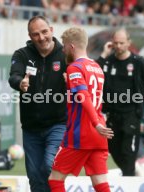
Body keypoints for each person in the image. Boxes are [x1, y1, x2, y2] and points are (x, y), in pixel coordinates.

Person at [48, 27, 113, 192]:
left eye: (63, 46)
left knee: (54, 180)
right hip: (99, 135)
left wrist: (94, 123)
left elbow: (84, 96)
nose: (62, 50)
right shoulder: (97, 67)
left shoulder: (74, 68)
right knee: (101, 183)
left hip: (81, 133)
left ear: (71, 46)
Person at [9, 16, 67, 192]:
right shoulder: (22, 54)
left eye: (44, 32)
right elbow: (14, 76)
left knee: (50, 166)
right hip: (31, 128)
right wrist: (20, 83)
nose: (41, 37)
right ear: (30, 36)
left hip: (58, 124)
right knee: (35, 177)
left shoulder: (65, 54)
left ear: (51, 30)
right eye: (36, 34)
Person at [96, 28, 144, 176]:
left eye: (121, 43)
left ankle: (129, 178)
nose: (118, 46)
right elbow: (93, 71)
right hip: (111, 114)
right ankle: (131, 173)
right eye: (115, 43)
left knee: (128, 151)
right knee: (113, 148)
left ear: (129, 43)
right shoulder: (108, 61)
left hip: (131, 114)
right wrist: (103, 54)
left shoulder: (138, 62)